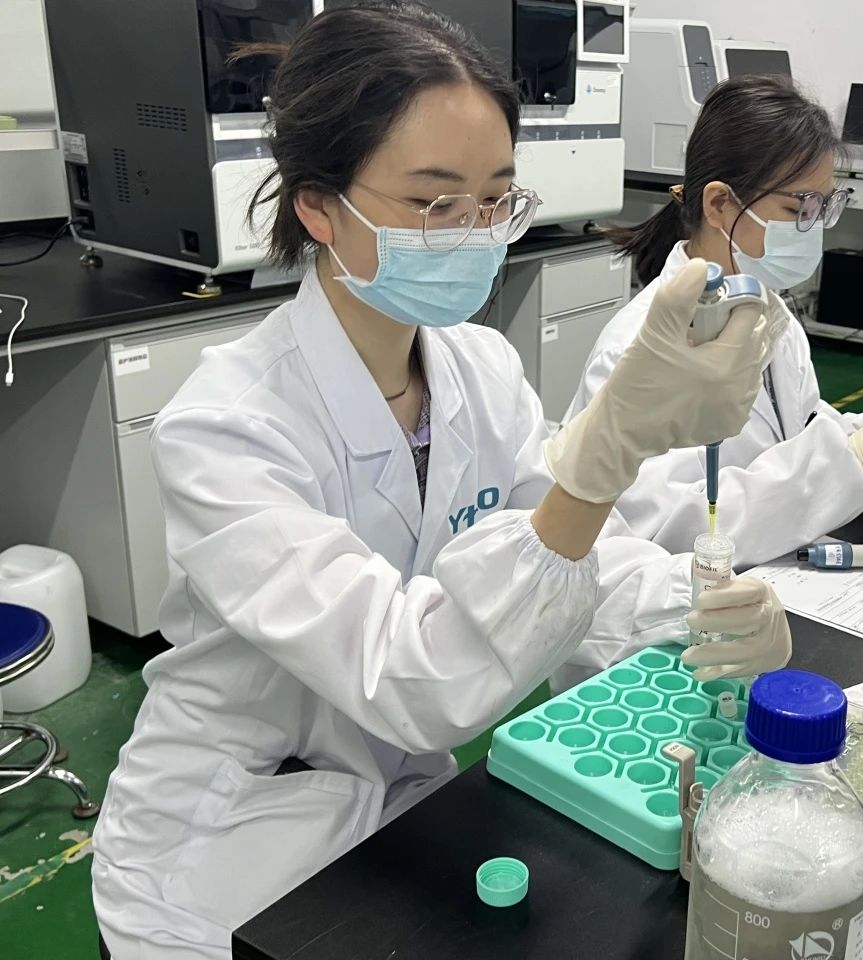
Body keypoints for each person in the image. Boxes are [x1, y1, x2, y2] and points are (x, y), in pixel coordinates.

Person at [90, 6, 790, 958]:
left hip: (407, 807)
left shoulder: (479, 368)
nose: (473, 233)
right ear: (318, 207)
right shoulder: (227, 428)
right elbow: (407, 675)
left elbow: (570, 561)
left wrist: (700, 605)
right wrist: (607, 453)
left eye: (495, 198)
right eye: (433, 204)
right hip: (231, 842)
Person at [565, 76, 863, 567]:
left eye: (825, 205)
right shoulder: (637, 348)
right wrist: (852, 462)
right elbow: (662, 530)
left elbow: (797, 431)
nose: (814, 226)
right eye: (799, 206)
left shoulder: (769, 311)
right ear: (720, 204)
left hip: (776, 565)